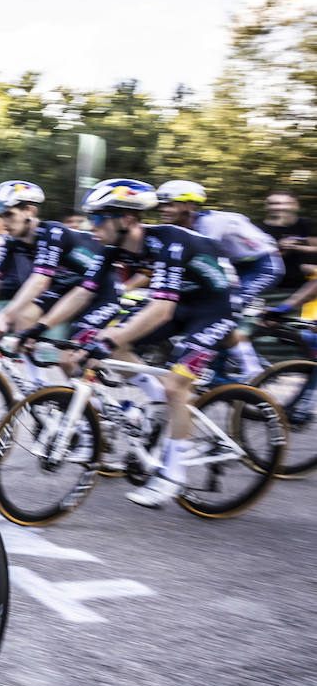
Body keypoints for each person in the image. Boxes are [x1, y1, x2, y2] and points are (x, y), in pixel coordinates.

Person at [70, 178, 236, 508]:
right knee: (109, 343)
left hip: (216, 307)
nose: (93, 226)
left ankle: (172, 476)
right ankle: (156, 397)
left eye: (99, 218)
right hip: (182, 305)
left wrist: (109, 337)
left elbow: (161, 310)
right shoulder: (113, 248)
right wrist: (49, 328)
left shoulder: (170, 242)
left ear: (127, 219)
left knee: (176, 385)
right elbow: (83, 292)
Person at [0, 180, 105, 342]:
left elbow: (40, 281)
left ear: (29, 211)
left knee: (74, 359)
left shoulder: (53, 233)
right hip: (70, 285)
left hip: (102, 287)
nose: (3, 223)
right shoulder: (13, 241)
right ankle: (28, 368)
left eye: (9, 214)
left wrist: (3, 317)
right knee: (23, 318)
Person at [156, 179, 279, 377]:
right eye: (161, 205)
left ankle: (253, 370)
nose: (163, 209)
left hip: (261, 265)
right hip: (236, 264)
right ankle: (218, 365)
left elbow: (209, 266)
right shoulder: (183, 229)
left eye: (169, 204)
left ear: (189, 205)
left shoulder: (209, 225)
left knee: (226, 310)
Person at [257, 191, 317, 294]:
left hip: (309, 284)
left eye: (286, 203)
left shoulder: (307, 224)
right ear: (266, 206)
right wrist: (278, 246)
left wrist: (296, 247)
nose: (280, 207)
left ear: (296, 205)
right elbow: (253, 258)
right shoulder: (257, 230)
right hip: (273, 287)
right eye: (274, 204)